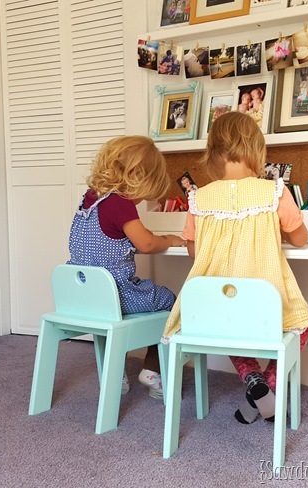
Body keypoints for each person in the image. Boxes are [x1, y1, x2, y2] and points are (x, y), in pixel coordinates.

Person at [162, 112, 308, 424]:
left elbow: (195, 251)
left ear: (213, 152)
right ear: (256, 149)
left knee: (228, 324)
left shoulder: (197, 198)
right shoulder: (273, 191)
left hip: (211, 312)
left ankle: (254, 383)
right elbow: (300, 238)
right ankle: (268, 385)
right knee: (303, 322)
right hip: (264, 308)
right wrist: (277, 230)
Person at [68, 135, 187, 399]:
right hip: (116, 294)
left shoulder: (90, 199)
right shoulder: (120, 203)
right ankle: (153, 371)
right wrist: (168, 239)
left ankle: (115, 373)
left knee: (110, 316)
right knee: (169, 300)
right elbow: (145, 243)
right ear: (138, 177)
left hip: (84, 295)